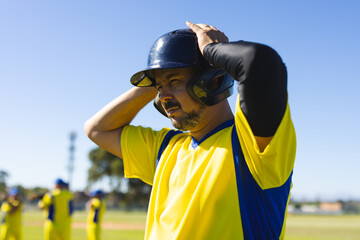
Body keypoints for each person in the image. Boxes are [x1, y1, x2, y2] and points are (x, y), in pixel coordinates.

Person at [84, 21, 296, 239]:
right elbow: (97, 129)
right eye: (158, 88)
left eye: (174, 81)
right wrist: (157, 79)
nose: (162, 97)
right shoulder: (166, 149)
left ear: (212, 82)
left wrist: (213, 52)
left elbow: (262, 64)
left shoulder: (251, 147)